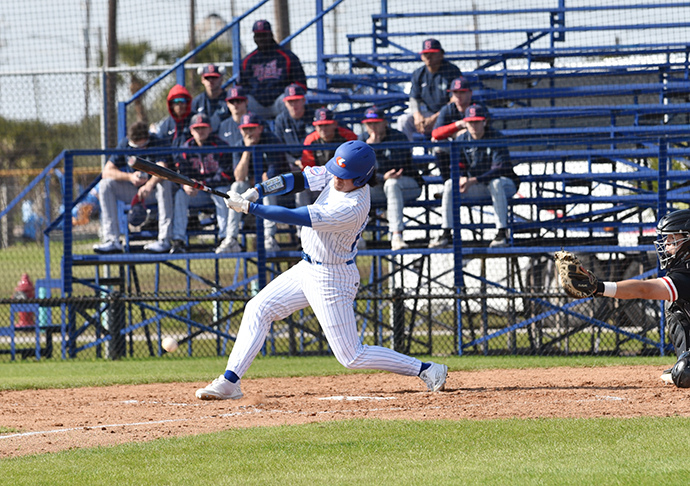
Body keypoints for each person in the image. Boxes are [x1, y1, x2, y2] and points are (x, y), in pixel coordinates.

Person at [194, 140, 448, 400]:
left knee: (352, 356)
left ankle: (427, 369)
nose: (336, 179)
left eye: (344, 177)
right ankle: (229, 382)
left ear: (361, 178)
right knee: (258, 308)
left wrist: (250, 208)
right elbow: (298, 179)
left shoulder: (353, 207)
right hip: (306, 267)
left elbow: (297, 216)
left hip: (332, 277)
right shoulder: (339, 172)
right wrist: (258, 190)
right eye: (336, 173)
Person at [557, 209, 690, 388]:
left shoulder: (685, 275)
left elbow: (643, 289)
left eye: (673, 240)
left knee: (685, 372)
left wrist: (599, 288)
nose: (666, 246)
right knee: (674, 305)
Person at [429, 104, 520, 249]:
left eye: (477, 121)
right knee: (449, 185)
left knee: (496, 183)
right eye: (471, 122)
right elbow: (456, 164)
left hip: (506, 185)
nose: (474, 125)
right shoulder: (462, 139)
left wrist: (473, 180)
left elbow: (499, 169)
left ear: (484, 122)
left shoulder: (496, 137)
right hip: (478, 186)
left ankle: (502, 233)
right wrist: (462, 176)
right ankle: (446, 233)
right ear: (465, 122)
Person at [94, 121, 174, 253]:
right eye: (135, 146)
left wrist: (149, 185)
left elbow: (162, 169)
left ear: (147, 139)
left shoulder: (158, 141)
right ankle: (112, 240)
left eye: (142, 146)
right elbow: (107, 171)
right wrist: (130, 177)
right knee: (105, 185)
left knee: (165, 183)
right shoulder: (125, 143)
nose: (138, 149)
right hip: (133, 190)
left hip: (154, 192)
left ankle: (164, 240)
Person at [359, 106, 423, 251]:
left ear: (385, 123)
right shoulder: (362, 139)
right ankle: (357, 237)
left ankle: (396, 236)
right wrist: (371, 147)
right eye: (369, 124)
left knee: (392, 184)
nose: (373, 127)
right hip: (378, 184)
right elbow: (359, 170)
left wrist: (376, 149)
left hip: (407, 184)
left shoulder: (398, 137)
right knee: (356, 187)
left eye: (376, 122)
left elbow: (396, 168)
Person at [226, 112, 292, 252]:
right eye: (245, 129)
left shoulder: (271, 140)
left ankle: (269, 237)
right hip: (252, 189)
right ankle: (231, 239)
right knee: (236, 186)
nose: (248, 133)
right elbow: (239, 176)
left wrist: (258, 182)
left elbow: (273, 174)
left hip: (280, 191)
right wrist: (247, 151)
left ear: (260, 129)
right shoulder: (239, 145)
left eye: (252, 128)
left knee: (267, 186)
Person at [170, 113, 235, 254]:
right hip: (197, 192)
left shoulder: (221, 145)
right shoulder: (185, 149)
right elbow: (181, 174)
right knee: (181, 195)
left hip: (214, 189)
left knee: (223, 194)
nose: (200, 131)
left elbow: (226, 175)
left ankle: (224, 238)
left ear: (210, 129)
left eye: (203, 128)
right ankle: (178, 241)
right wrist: (185, 185)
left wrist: (202, 183)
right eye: (197, 128)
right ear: (191, 130)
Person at [240, 19, 307, 119]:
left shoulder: (287, 57)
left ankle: (289, 132)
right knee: (240, 102)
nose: (260, 39)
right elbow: (240, 87)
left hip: (279, 103)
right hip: (257, 105)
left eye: (263, 35)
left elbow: (301, 84)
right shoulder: (248, 60)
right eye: (257, 35)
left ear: (270, 35)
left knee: (290, 99)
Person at [397, 38, 462, 142]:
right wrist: (417, 116)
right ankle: (406, 155)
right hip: (428, 114)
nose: (428, 57)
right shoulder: (419, 73)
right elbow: (414, 98)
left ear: (441, 55)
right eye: (426, 53)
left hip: (449, 116)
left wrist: (435, 118)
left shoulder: (452, 71)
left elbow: (455, 99)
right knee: (403, 120)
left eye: (432, 53)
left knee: (441, 139)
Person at [296, 107, 357, 208]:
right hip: (318, 181)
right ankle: (303, 221)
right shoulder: (310, 140)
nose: (323, 129)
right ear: (315, 127)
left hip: (343, 181)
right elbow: (308, 169)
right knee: (300, 189)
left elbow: (354, 165)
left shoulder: (348, 137)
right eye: (320, 126)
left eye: (327, 125)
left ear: (334, 124)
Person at [431, 76, 473, 181]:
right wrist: (457, 126)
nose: (458, 96)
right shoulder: (447, 109)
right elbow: (436, 134)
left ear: (470, 93)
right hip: (454, 147)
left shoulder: (477, 107)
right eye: (455, 92)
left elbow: (484, 131)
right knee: (438, 145)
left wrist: (463, 134)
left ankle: (469, 178)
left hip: (474, 149)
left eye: (462, 92)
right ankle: (447, 182)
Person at [274, 83, 314, 166]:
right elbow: (279, 147)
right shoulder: (280, 120)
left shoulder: (313, 116)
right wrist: (295, 161)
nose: (293, 105)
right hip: (289, 163)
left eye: (296, 100)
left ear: (303, 100)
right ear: (285, 103)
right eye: (290, 101)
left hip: (313, 161)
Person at [190, 64, 230, 134]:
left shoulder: (230, 100)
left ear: (221, 79)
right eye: (207, 78)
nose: (211, 81)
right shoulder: (197, 102)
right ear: (202, 80)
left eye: (214, 77)